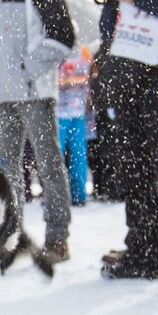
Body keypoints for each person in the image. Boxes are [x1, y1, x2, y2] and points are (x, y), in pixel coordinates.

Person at [0, 0, 75, 263]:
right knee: (6, 173)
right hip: (0, 96)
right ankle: (9, 241)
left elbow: (64, 35)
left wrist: (26, 68)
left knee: (49, 166)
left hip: (33, 94)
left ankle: (57, 238)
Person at [96, 0, 158, 280]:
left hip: (153, 83)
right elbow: (111, 22)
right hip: (129, 82)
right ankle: (143, 247)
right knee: (135, 169)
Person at [88, 0, 138, 203]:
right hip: (116, 57)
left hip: (143, 58)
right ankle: (138, 241)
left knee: (142, 149)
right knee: (125, 146)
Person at [57, 45, 93, 207]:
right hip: (59, 113)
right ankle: (59, 196)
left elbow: (91, 76)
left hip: (77, 113)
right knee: (57, 157)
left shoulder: (83, 52)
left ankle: (78, 195)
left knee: (77, 156)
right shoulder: (55, 52)